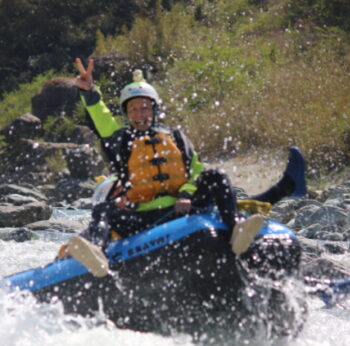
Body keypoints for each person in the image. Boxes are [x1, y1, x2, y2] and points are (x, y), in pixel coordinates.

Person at [66, 58, 305, 277]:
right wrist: (89, 93)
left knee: (216, 175)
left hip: (182, 208)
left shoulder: (176, 137)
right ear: (127, 114)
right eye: (134, 109)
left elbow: (197, 171)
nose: (140, 113)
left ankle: (236, 229)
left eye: (145, 107)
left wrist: (186, 193)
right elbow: (102, 119)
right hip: (144, 216)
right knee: (104, 210)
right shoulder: (121, 140)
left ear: (154, 109)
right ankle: (97, 252)